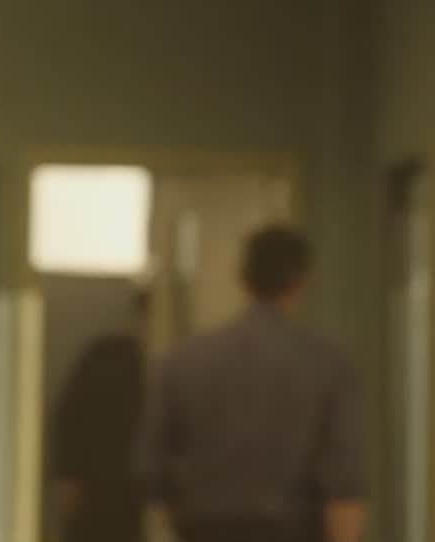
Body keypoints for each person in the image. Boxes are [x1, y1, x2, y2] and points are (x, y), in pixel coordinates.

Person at [136, 225, 367, 542]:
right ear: (300, 281)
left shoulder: (184, 361)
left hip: (204, 529)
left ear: (242, 277)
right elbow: (343, 481)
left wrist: (186, 515)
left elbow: (150, 467)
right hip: (292, 531)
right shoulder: (326, 365)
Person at [52, 288, 148, 542]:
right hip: (101, 488)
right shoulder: (109, 356)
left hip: (132, 492)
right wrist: (69, 475)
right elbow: (71, 416)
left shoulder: (176, 364)